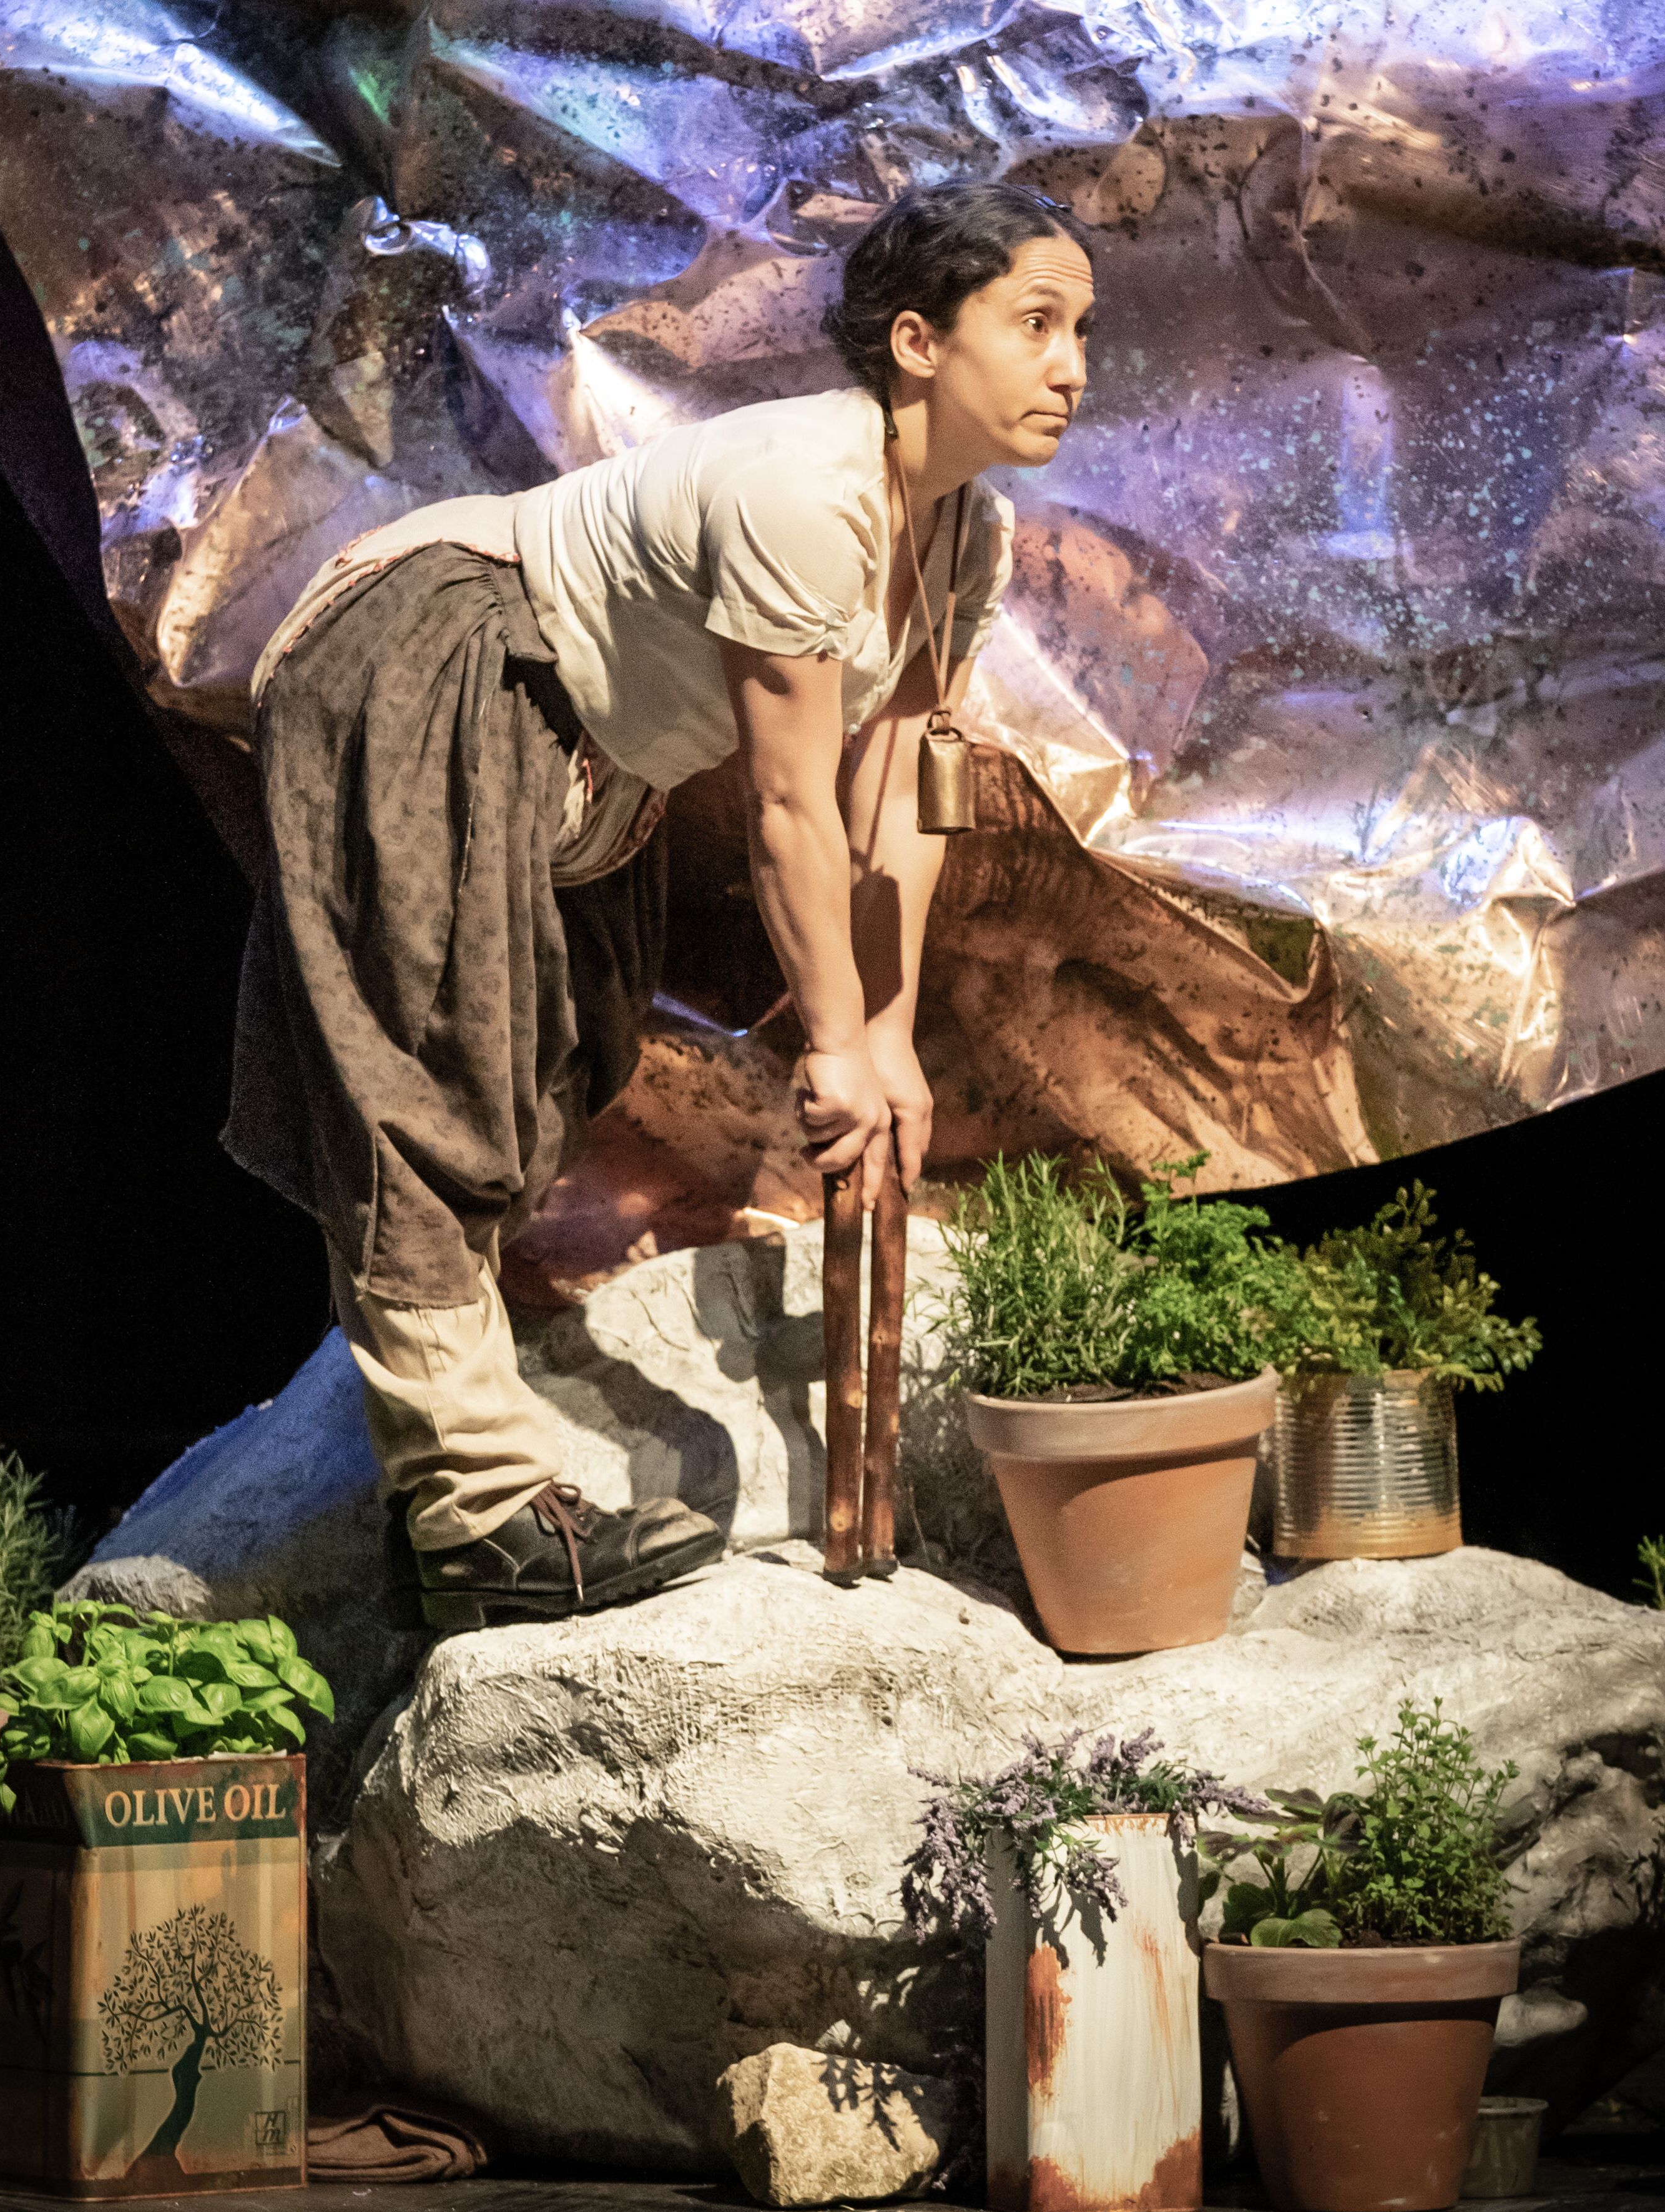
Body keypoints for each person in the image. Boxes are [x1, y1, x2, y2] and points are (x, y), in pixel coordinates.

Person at [226, 180, 1094, 1631]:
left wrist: (890, 1042)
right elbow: (785, 806)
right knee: (437, 1084)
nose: (1074, 365)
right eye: (1037, 323)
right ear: (920, 342)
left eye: (1082, 329)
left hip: (589, 761)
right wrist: (827, 1040)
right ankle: (478, 1518)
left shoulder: (962, 541)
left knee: (563, 1062)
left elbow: (905, 799)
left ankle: (443, 1482)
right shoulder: (810, 491)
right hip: (447, 664)